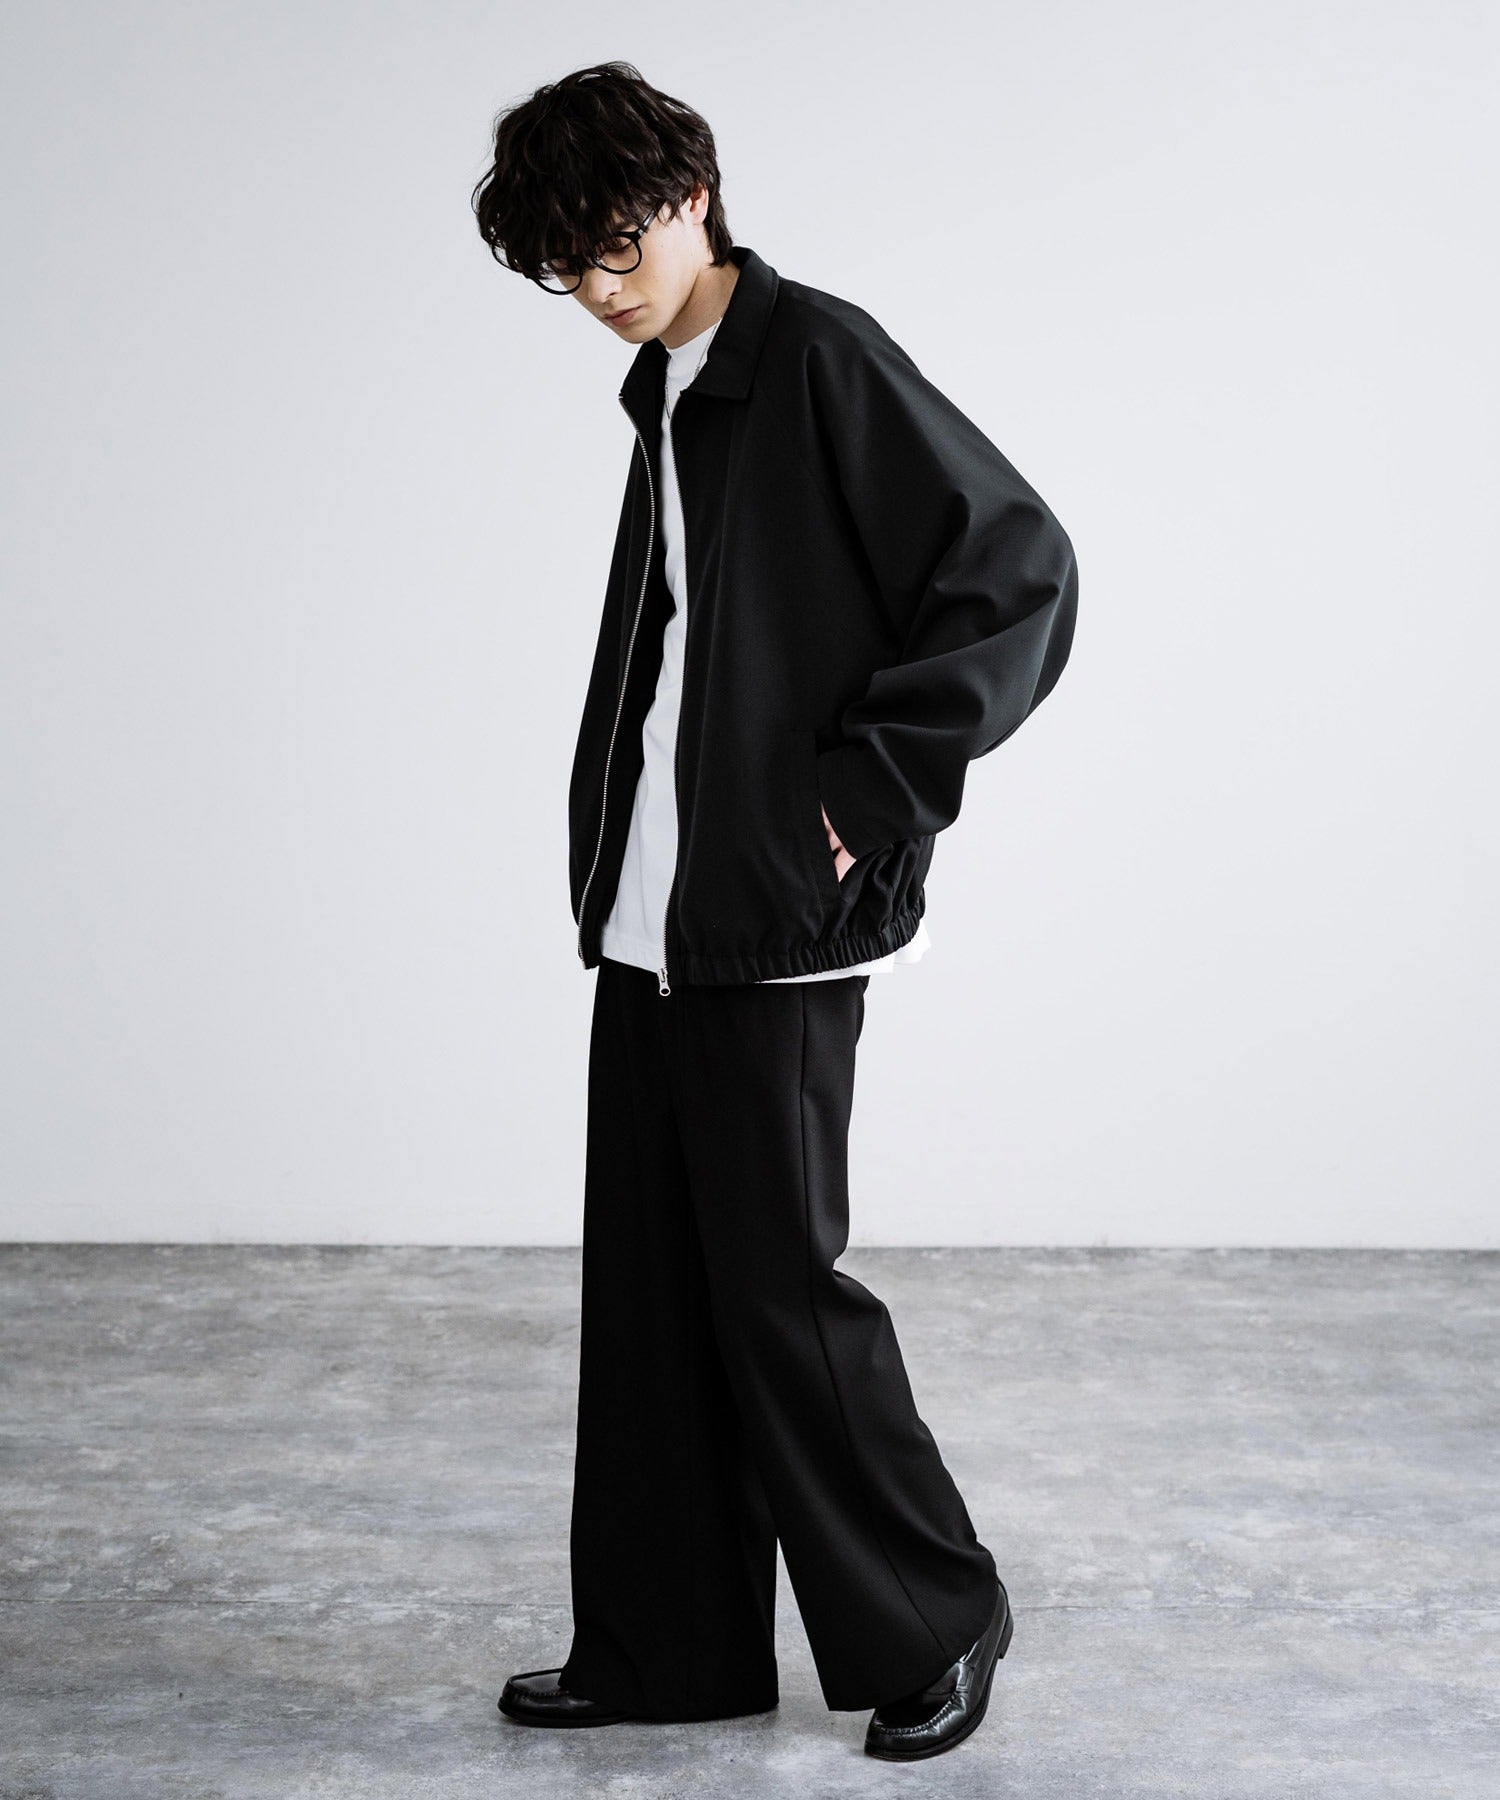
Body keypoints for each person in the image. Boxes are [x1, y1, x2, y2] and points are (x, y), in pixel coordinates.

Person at [471, 60, 1076, 1762]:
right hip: (658, 914)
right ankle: (668, 1646)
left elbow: (1020, 567)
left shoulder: (815, 357)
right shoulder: (672, 383)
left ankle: (936, 1614)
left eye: (615, 246)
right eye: (567, 270)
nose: (599, 290)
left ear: (693, 193)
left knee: (781, 1291)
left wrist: (869, 793)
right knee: (652, 1291)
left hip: (777, 917)